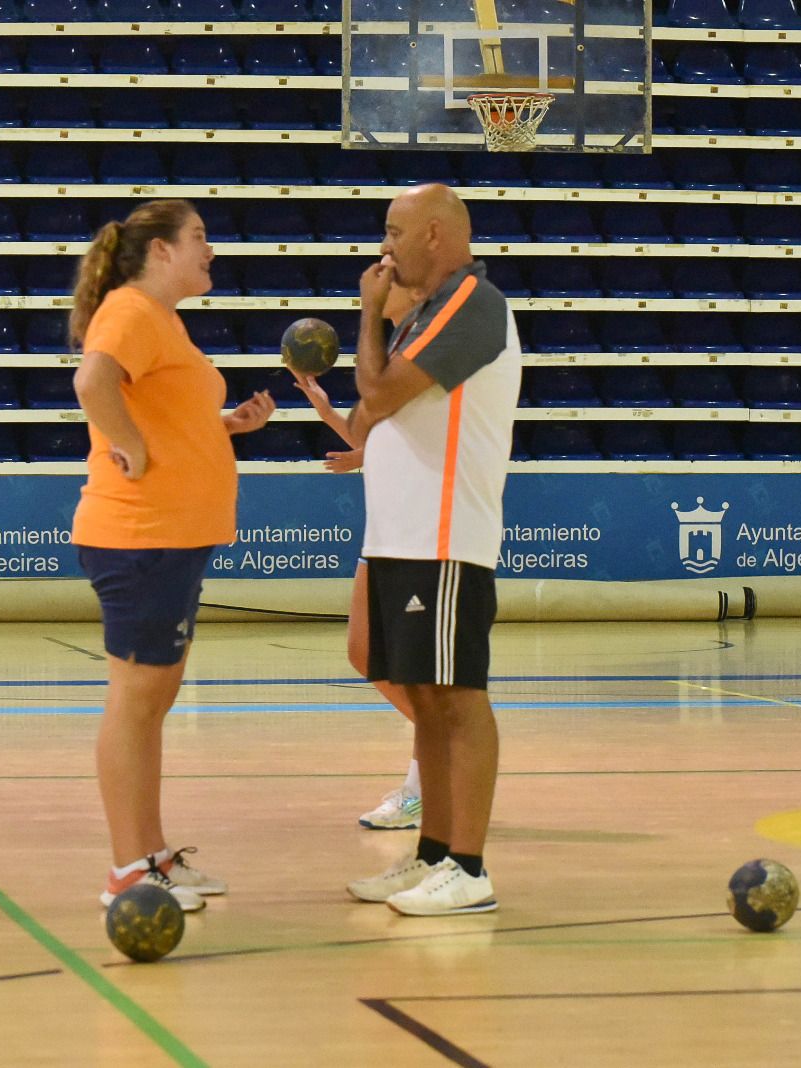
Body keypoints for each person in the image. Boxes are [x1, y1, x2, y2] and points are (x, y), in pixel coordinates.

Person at [70, 199, 276, 911]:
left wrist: (220, 425)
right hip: (140, 538)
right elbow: (93, 384)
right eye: (198, 237)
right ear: (160, 251)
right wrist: (125, 443)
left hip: (172, 539)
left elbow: (156, 408)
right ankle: (127, 871)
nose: (209, 249)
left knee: (152, 706)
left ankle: (151, 854)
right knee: (135, 706)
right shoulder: (130, 310)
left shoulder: (160, 319)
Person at [343, 185, 519, 916]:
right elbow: (367, 417)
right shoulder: (421, 316)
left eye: (394, 231)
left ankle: (469, 869)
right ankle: (432, 856)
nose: (384, 247)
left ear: (437, 236)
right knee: (424, 698)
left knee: (457, 700)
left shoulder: (472, 302)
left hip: (445, 539)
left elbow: (377, 396)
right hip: (401, 539)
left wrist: (366, 317)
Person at [292, 282, 428, 832]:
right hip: (383, 527)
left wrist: (366, 451)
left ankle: (424, 786)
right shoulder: (395, 354)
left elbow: (427, 442)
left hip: (419, 531)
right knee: (362, 652)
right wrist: (331, 416)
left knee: (420, 674)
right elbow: (383, 435)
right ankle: (446, 747)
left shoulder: (429, 348)